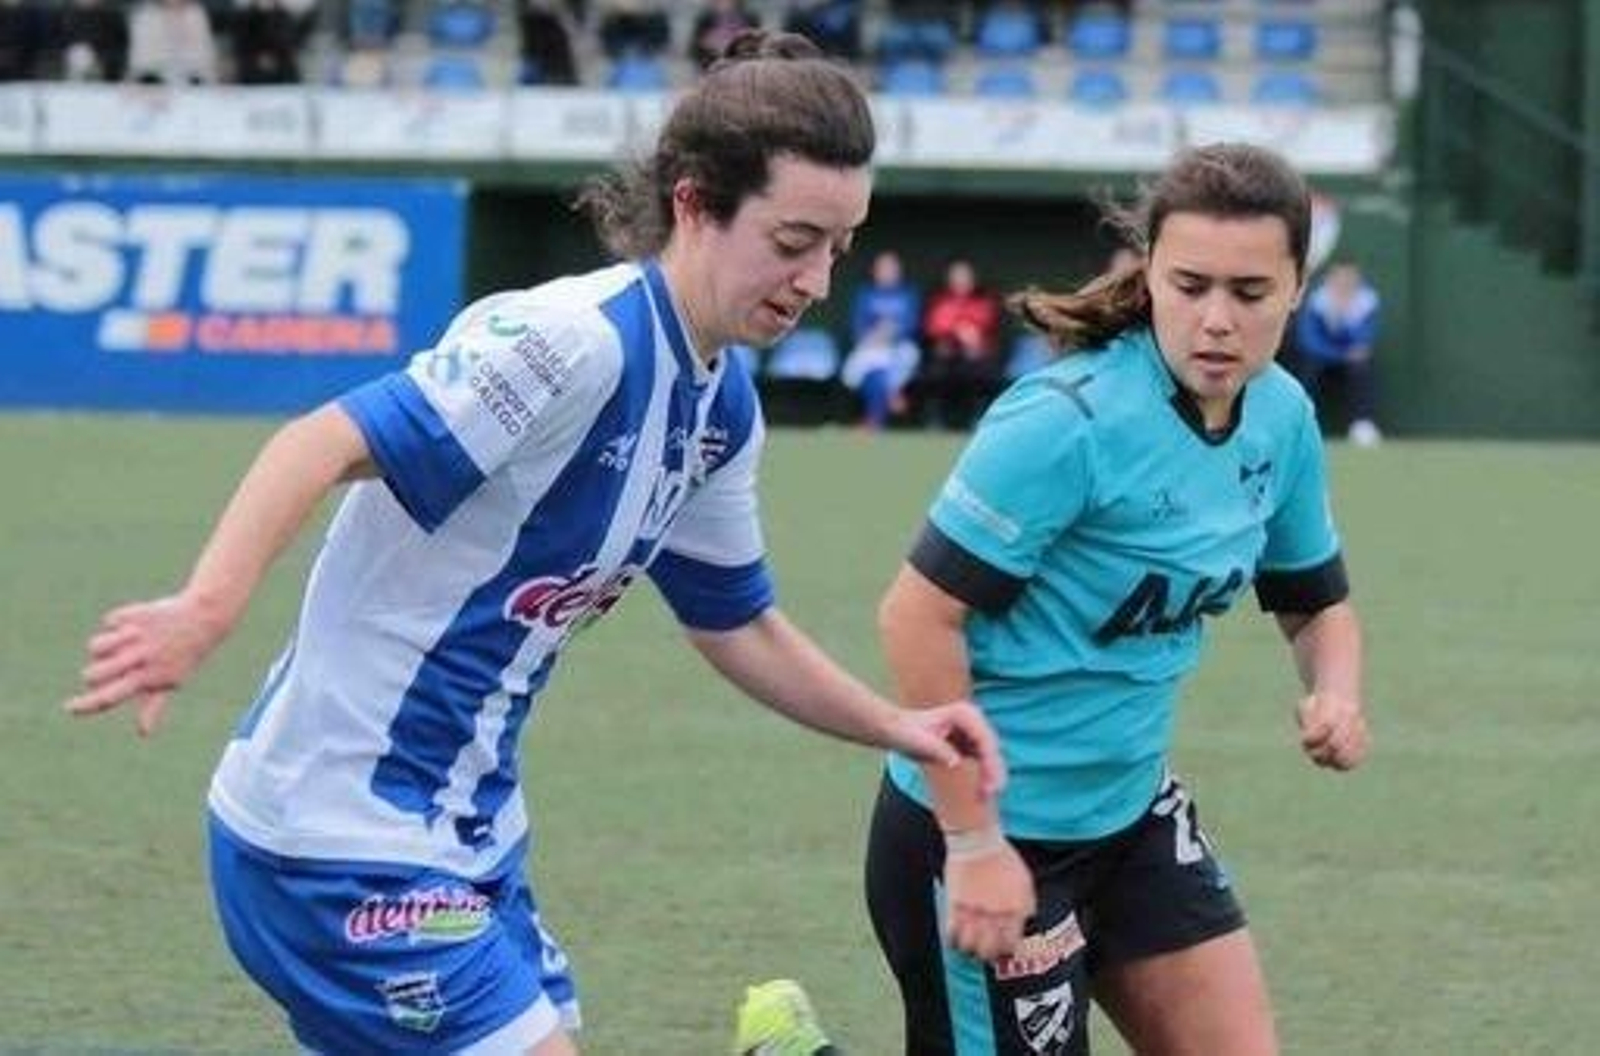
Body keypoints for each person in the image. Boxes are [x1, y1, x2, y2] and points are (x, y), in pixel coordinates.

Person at [66, 31, 1004, 1056]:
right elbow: (322, 439)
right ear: (693, 203)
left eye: (839, 244)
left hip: (467, 840)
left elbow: (737, 624)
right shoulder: (571, 342)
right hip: (333, 840)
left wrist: (899, 727)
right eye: (792, 242)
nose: (818, 278)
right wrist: (205, 608)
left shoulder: (720, 401)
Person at [865, 142, 1371, 1055]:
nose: (1216, 319)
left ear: (1299, 286)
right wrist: (975, 837)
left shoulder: (1283, 417)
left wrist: (1334, 689)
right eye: (1189, 285)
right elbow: (915, 615)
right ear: (1149, 277)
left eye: (1250, 294)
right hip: (990, 833)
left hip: (1132, 817)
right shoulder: (1067, 420)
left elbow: (1315, 601)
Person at [1296, 260, 1383, 446]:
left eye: (1350, 279)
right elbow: (1310, 341)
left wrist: (1344, 320)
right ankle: (1302, 423)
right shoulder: (1317, 302)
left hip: (1350, 365)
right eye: (1339, 278)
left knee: (1361, 368)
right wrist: (1339, 353)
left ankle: (1362, 425)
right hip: (1322, 361)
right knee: (1310, 367)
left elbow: (1364, 339)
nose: (1344, 283)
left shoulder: (1367, 302)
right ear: (1330, 279)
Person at [915, 256, 1005, 430]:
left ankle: (979, 419)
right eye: (956, 276)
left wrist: (978, 346)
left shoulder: (984, 302)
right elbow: (931, 330)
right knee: (936, 369)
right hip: (945, 356)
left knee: (982, 371)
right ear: (949, 279)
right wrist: (950, 337)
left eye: (964, 276)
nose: (960, 280)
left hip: (977, 358)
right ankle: (935, 420)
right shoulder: (939, 301)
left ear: (972, 279)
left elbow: (993, 334)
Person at [840, 248, 922, 431]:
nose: (887, 272)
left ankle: (874, 420)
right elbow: (857, 327)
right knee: (871, 371)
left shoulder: (908, 294)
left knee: (899, 360)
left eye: (891, 268)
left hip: (901, 349)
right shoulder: (865, 293)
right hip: (871, 347)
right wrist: (876, 335)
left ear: (898, 271)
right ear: (875, 271)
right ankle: (892, 395)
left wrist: (889, 332)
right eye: (883, 268)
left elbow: (912, 326)